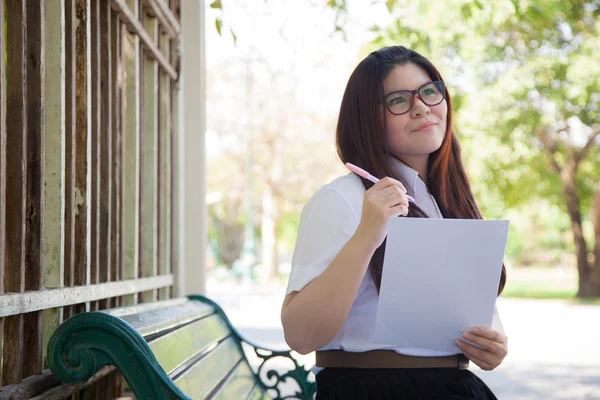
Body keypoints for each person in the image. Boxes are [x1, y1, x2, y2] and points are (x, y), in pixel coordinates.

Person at [280, 46, 508, 400]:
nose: (422, 107)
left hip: (456, 386)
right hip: (373, 389)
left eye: (429, 92)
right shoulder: (343, 199)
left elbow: (467, 312)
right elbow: (301, 335)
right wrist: (367, 234)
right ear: (367, 118)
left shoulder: (444, 199)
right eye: (398, 100)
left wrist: (490, 345)